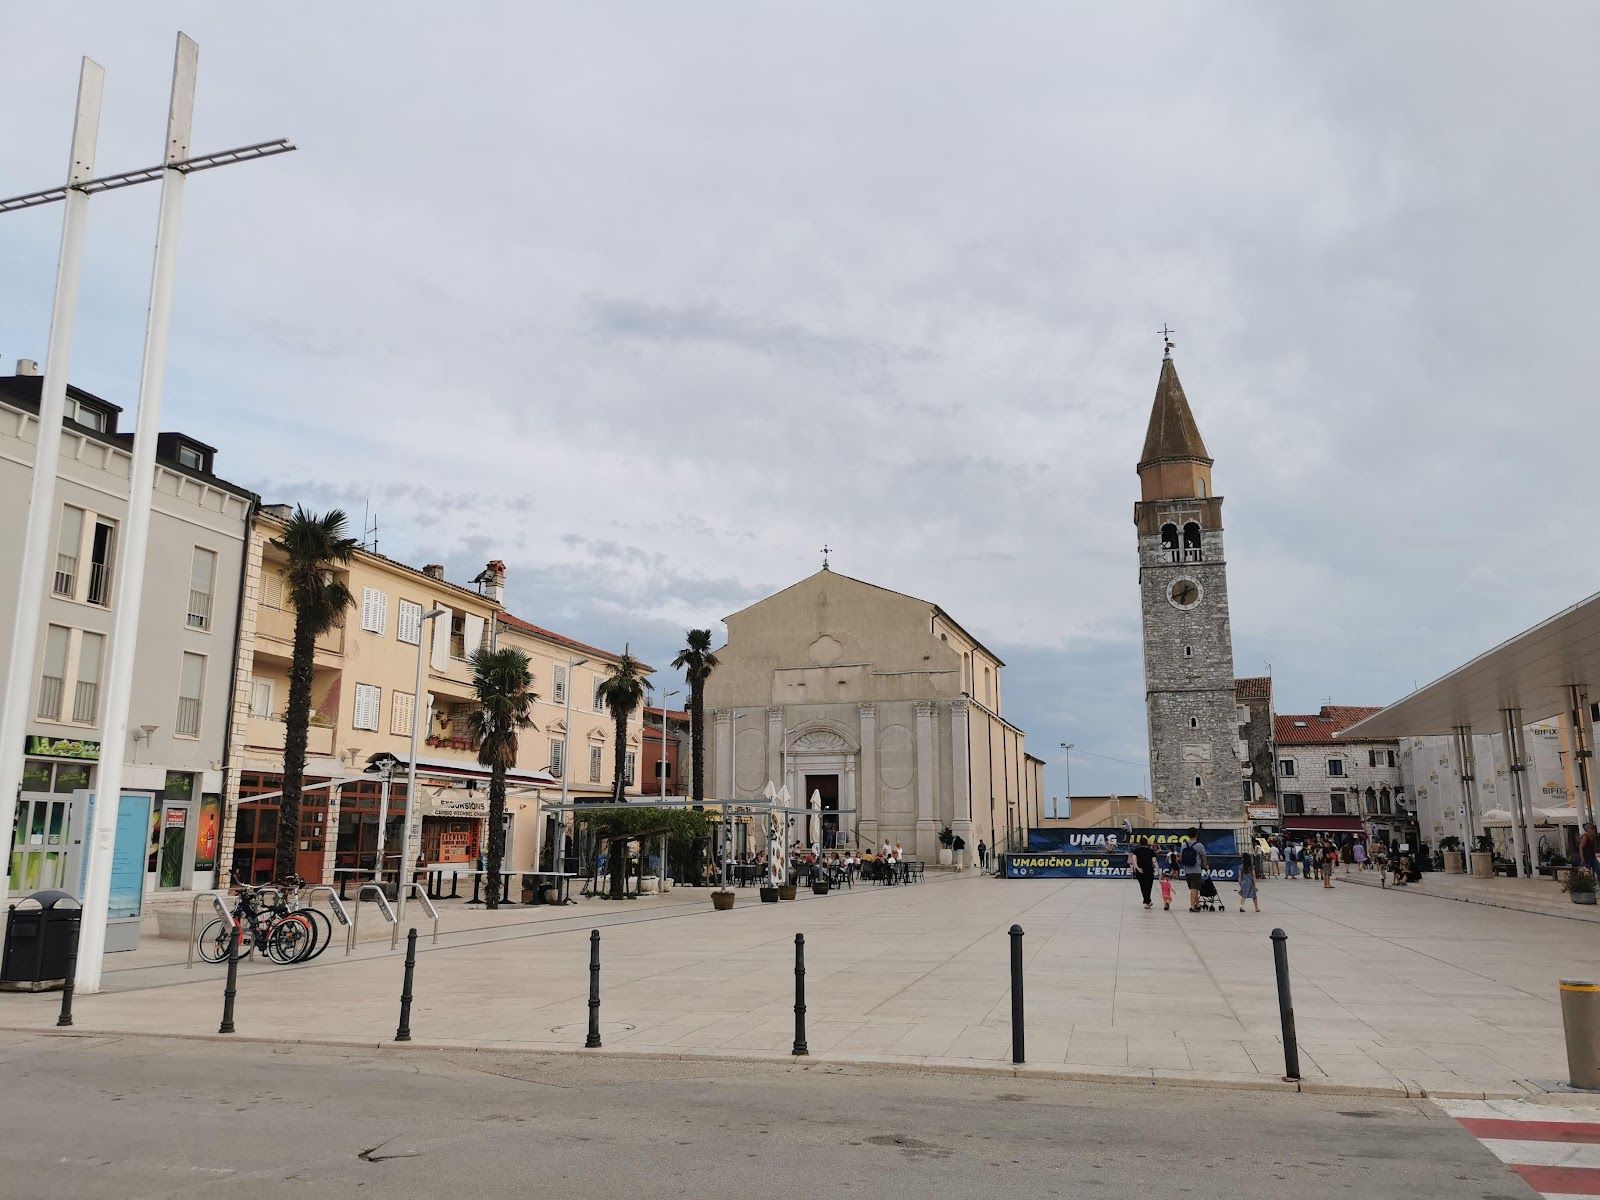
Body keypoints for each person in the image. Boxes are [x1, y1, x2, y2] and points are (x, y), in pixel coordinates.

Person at [1179, 828, 1207, 912]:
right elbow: (1204, 858)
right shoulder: (1199, 845)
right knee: (1194, 889)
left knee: (1193, 888)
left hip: (1187, 870)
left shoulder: (1184, 844)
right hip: (1196, 870)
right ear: (1196, 835)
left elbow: (1181, 858)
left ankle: (1197, 904)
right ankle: (1192, 906)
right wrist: (1205, 866)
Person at [1130, 836, 1157, 910]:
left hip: (1140, 871)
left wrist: (1137, 868)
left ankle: (1147, 901)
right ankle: (1148, 901)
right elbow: (1154, 861)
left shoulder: (1136, 851)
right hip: (1149, 870)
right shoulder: (1151, 851)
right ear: (1147, 843)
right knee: (1149, 886)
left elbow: (1133, 859)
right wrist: (1158, 869)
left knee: (1142, 886)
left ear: (1140, 843)